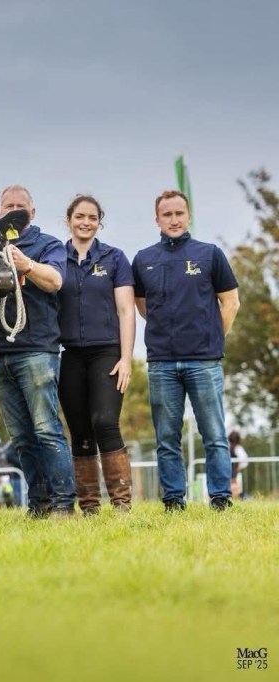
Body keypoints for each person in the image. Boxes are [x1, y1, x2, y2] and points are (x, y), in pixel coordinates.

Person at [0, 185, 76, 517]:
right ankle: (38, 503)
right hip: (0, 354)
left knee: (46, 429)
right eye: (8, 206)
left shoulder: (48, 245)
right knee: (21, 437)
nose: (15, 210)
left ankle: (62, 504)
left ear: (32, 212)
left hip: (37, 351)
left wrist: (27, 264)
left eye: (21, 206)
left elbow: (57, 280)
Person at [132, 190, 240, 512]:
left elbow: (231, 302)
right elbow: (142, 307)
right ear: (157, 219)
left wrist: (210, 337)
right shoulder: (143, 259)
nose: (174, 219)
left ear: (188, 215)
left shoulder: (210, 254)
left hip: (204, 361)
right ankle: (173, 501)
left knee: (215, 435)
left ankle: (220, 499)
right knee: (166, 439)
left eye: (179, 213)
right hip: (162, 363)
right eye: (167, 215)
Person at [57, 195, 136, 515]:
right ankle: (89, 506)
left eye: (92, 217)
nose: (85, 222)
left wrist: (127, 358)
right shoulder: (56, 257)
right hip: (71, 355)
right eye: (80, 216)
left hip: (107, 352)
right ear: (69, 220)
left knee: (104, 421)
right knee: (79, 430)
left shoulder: (115, 258)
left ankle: (121, 505)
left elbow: (126, 311)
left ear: (99, 222)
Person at [228, 430, 250, 499]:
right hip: (230, 472)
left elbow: (244, 461)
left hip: (231, 472)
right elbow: (245, 461)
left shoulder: (236, 448)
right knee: (233, 487)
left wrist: (236, 469)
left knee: (233, 487)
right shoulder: (236, 448)